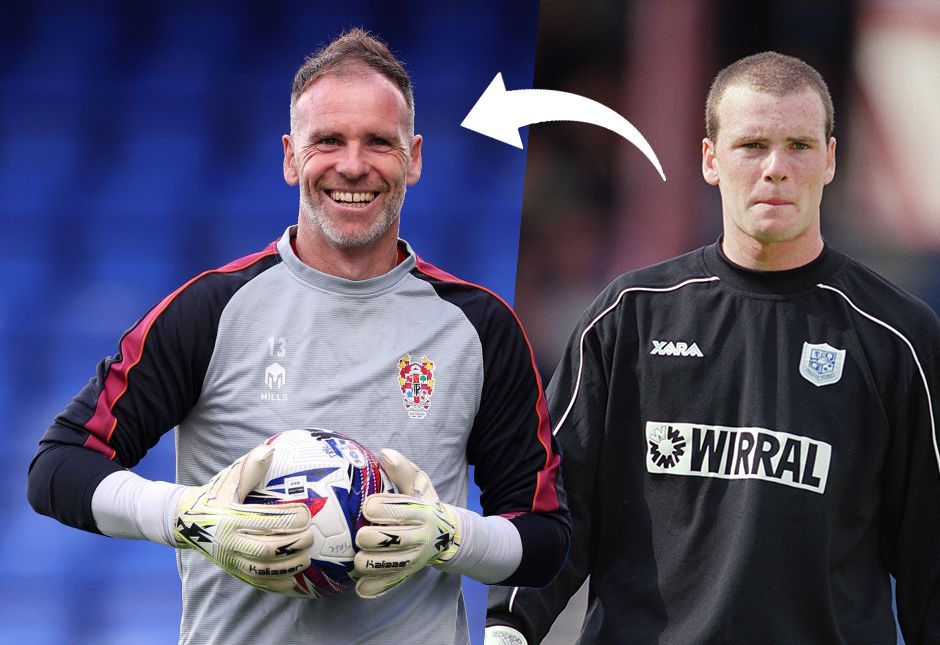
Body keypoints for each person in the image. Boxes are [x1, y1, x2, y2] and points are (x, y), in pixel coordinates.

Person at [27, 28, 569, 644]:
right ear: (290, 157)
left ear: (414, 157)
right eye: (328, 141)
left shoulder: (479, 326)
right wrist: (194, 517)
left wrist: (449, 535)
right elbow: (56, 469)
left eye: (379, 143)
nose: (353, 165)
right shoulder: (212, 309)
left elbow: (544, 540)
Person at [486, 51, 940, 643]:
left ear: (831, 159)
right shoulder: (629, 316)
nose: (776, 168)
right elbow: (557, 505)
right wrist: (509, 623)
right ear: (711, 159)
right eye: (752, 145)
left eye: (800, 146)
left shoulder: (900, 340)